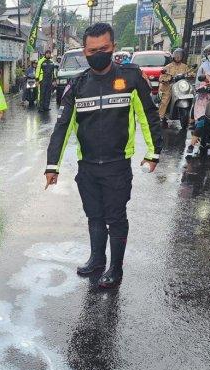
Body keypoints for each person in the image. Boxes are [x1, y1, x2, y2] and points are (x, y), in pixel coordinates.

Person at [44, 23, 162, 289]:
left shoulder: (131, 78)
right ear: (85, 52)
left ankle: (115, 269)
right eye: (93, 50)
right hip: (87, 167)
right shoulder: (78, 85)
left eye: (104, 49)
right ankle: (97, 260)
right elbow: (63, 126)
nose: (98, 53)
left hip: (117, 166)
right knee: (94, 216)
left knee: (116, 218)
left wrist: (153, 153)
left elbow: (149, 116)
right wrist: (52, 165)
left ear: (113, 48)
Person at [158, 48, 193, 128]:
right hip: (170, 86)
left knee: (191, 94)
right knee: (165, 100)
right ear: (173, 56)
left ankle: (191, 117)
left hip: (181, 86)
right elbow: (161, 78)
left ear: (182, 57)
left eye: (179, 56)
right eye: (176, 56)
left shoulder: (185, 67)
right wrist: (166, 79)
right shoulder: (168, 67)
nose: (177, 57)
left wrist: (191, 75)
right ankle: (161, 117)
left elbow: (190, 73)